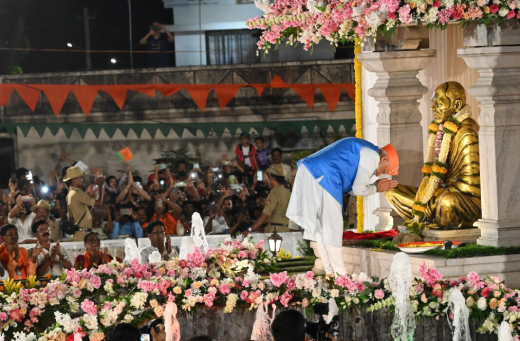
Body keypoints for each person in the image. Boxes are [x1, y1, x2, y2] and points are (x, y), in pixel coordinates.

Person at [287, 137, 399, 276]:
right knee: (332, 226)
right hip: (323, 176)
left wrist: (373, 187)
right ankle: (341, 276)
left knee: (322, 227)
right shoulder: (372, 156)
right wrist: (376, 188)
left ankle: (330, 273)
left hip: (314, 173)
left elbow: (353, 187)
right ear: (384, 160)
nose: (379, 174)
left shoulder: (368, 150)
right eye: (383, 170)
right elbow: (358, 189)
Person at [64, 167, 105, 241]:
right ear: (74, 180)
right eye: (80, 178)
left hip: (78, 234)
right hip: (83, 234)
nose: (83, 180)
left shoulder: (70, 194)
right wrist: (100, 186)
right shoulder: (77, 194)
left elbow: (71, 217)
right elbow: (99, 204)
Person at [247, 168, 291, 234]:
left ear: (272, 178)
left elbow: (265, 215)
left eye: (267, 176)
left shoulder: (274, 193)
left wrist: (249, 230)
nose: (264, 179)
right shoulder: (288, 192)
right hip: (285, 229)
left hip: (274, 231)